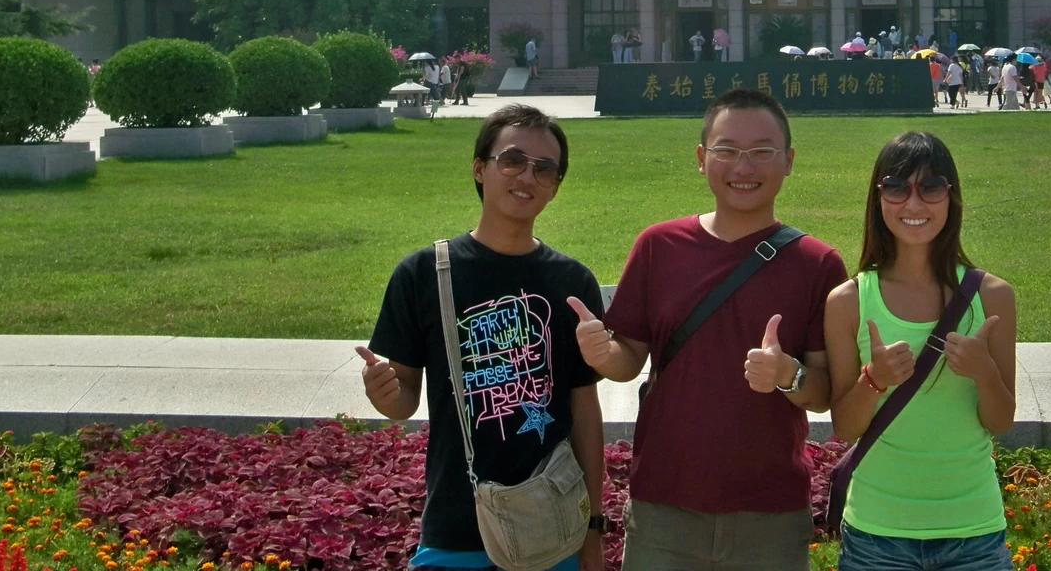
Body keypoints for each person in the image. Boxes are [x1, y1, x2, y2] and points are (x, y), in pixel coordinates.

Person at [571, 88, 847, 570]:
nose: (744, 166)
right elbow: (629, 358)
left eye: (762, 151)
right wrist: (602, 354)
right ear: (701, 158)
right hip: (665, 510)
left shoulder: (817, 264)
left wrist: (788, 375)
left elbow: (824, 393)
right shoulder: (659, 246)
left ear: (789, 161)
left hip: (770, 517)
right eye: (727, 150)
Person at [358, 104, 608, 571]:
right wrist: (384, 393)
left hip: (552, 525)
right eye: (512, 161)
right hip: (456, 524)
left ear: (555, 186)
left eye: (545, 168)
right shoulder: (424, 274)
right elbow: (403, 400)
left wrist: (592, 528)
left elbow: (584, 412)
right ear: (479, 168)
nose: (527, 177)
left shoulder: (572, 282)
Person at [823, 131, 1016, 571]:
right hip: (877, 534)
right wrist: (873, 381)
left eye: (931, 187)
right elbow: (845, 428)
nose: (913, 204)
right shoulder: (849, 301)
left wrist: (984, 372)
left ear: (952, 196)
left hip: (974, 532)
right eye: (896, 187)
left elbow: (1001, 421)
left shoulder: (993, 296)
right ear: (878, 198)